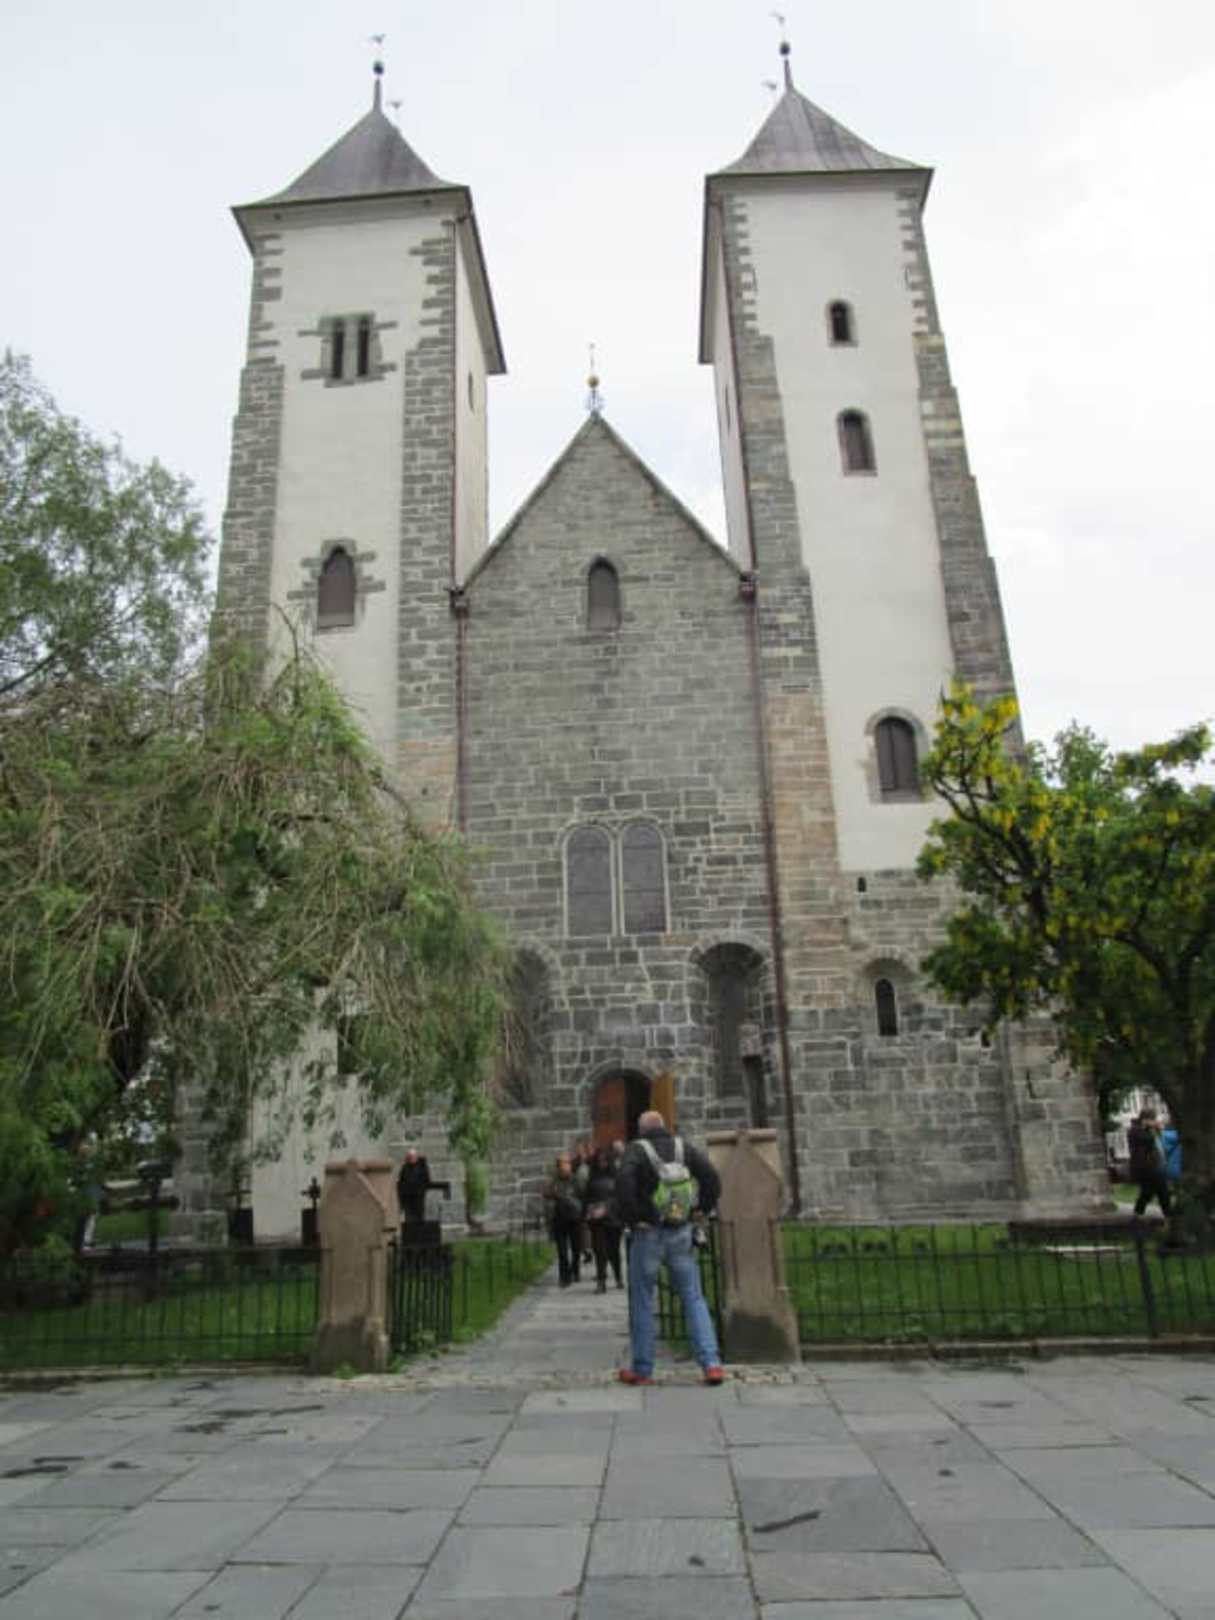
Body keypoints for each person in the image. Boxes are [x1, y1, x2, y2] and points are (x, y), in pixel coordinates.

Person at [614, 1108, 724, 1386]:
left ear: (642, 1130)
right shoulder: (682, 1147)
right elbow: (711, 1177)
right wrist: (702, 1208)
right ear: (664, 1126)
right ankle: (711, 1364)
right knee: (693, 1297)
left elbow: (623, 1181)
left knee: (642, 1299)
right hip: (681, 1230)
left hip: (648, 1233)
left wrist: (634, 1217)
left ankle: (643, 1370)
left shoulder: (637, 1150)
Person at [583, 1144, 623, 1293]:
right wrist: (586, 1215)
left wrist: (608, 1207)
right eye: (599, 1161)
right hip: (597, 1221)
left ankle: (618, 1277)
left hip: (614, 1219)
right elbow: (586, 1199)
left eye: (605, 1160)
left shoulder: (616, 1178)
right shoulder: (592, 1180)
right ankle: (601, 1281)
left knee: (614, 1251)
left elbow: (621, 1199)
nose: (602, 1163)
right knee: (600, 1251)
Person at [543, 1152, 584, 1286]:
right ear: (558, 1167)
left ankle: (575, 1270)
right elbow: (546, 1193)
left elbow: (583, 1194)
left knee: (576, 1248)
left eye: (567, 1164)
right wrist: (554, 1194)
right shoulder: (553, 1180)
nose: (565, 1167)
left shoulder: (575, 1179)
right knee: (562, 1251)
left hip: (575, 1219)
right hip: (559, 1218)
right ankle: (564, 1277)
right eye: (562, 1164)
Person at [1128, 1108, 1172, 1217]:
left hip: (1153, 1165)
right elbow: (1148, 1140)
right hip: (1145, 1166)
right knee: (1159, 1191)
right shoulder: (1135, 1130)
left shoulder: (1148, 1130)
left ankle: (1138, 1213)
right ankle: (1168, 1215)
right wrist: (1154, 1129)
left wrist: (1156, 1129)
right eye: (1153, 1119)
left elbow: (1159, 1142)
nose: (1154, 1121)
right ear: (1145, 1119)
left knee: (1151, 1191)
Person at [396, 1146, 432, 1224]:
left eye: (412, 1157)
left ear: (416, 1157)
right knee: (409, 1219)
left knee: (419, 1219)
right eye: (409, 1157)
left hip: (418, 1198)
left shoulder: (422, 1167)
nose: (410, 1159)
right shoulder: (405, 1167)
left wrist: (421, 1190)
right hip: (407, 1198)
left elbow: (427, 1181)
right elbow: (401, 1182)